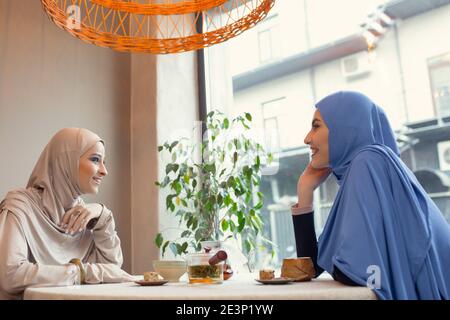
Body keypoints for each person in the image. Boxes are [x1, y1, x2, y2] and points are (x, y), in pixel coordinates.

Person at [292, 91, 450, 300]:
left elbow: (358, 273)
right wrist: (305, 189)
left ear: (346, 129)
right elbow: (311, 266)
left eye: (316, 125)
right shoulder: (369, 168)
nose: (307, 138)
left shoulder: (368, 162)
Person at [0, 128, 133, 300]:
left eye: (104, 162)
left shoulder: (84, 215)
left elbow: (112, 272)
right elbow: (11, 276)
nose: (104, 171)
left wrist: (103, 216)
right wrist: (82, 272)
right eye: (95, 160)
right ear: (66, 161)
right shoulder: (20, 206)